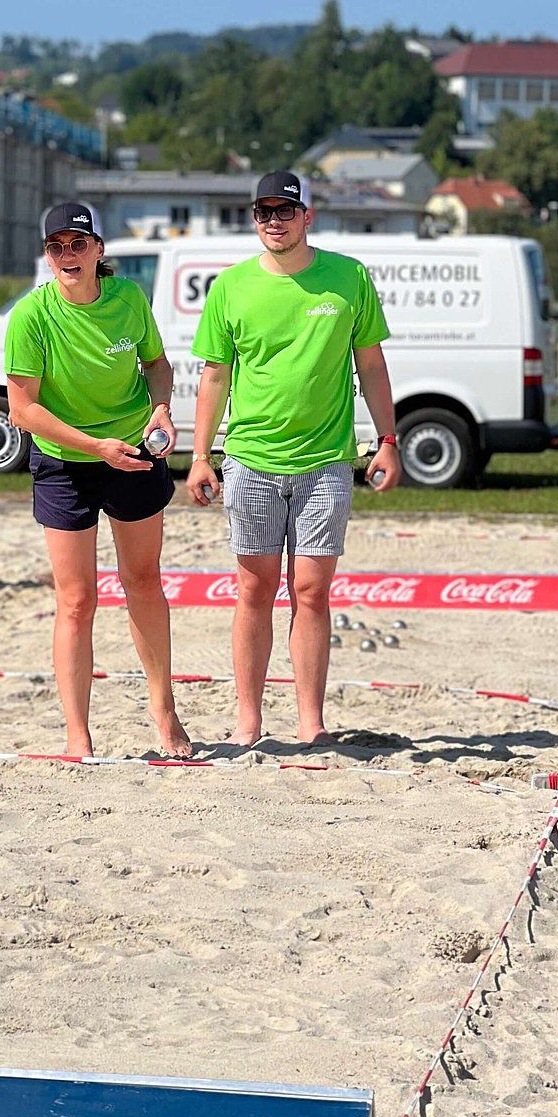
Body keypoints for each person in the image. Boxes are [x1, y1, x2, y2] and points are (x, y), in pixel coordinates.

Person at [186, 170, 400, 746]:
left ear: (309, 216)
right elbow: (214, 375)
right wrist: (201, 454)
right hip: (251, 458)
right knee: (254, 590)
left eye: (285, 210)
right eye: (263, 212)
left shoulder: (348, 277)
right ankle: (248, 721)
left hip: (325, 460)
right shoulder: (230, 286)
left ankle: (311, 722)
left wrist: (387, 440)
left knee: (310, 591)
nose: (274, 220)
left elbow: (372, 365)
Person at [5, 202, 190, 759]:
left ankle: (164, 711)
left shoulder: (128, 298)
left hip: (133, 449)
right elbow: (22, 410)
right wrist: (94, 448)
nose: (69, 254)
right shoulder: (31, 316)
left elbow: (157, 365)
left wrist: (161, 410)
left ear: (98, 250)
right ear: (47, 254)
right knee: (77, 599)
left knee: (143, 580)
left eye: (78, 244)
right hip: (67, 460)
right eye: (58, 246)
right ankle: (77, 733)